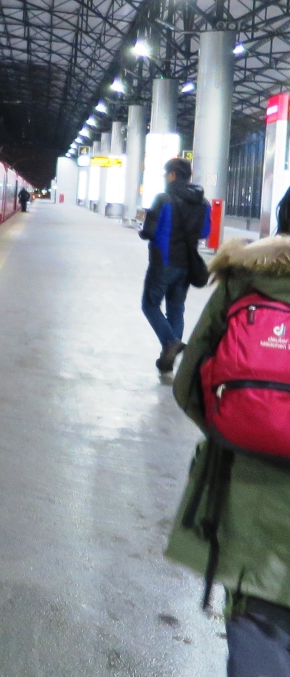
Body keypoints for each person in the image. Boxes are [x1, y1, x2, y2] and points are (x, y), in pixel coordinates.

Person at [165, 187, 290, 675]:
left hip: (251, 511)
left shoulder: (248, 279)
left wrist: (246, 425)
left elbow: (188, 385)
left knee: (259, 634)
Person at [140, 157, 211, 373]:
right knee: (176, 308)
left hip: (163, 261)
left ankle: (171, 342)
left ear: (172, 175)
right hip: (186, 264)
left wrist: (144, 232)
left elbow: (149, 231)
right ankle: (168, 359)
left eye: (166, 174)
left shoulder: (163, 199)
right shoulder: (203, 202)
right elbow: (205, 232)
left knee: (150, 305)